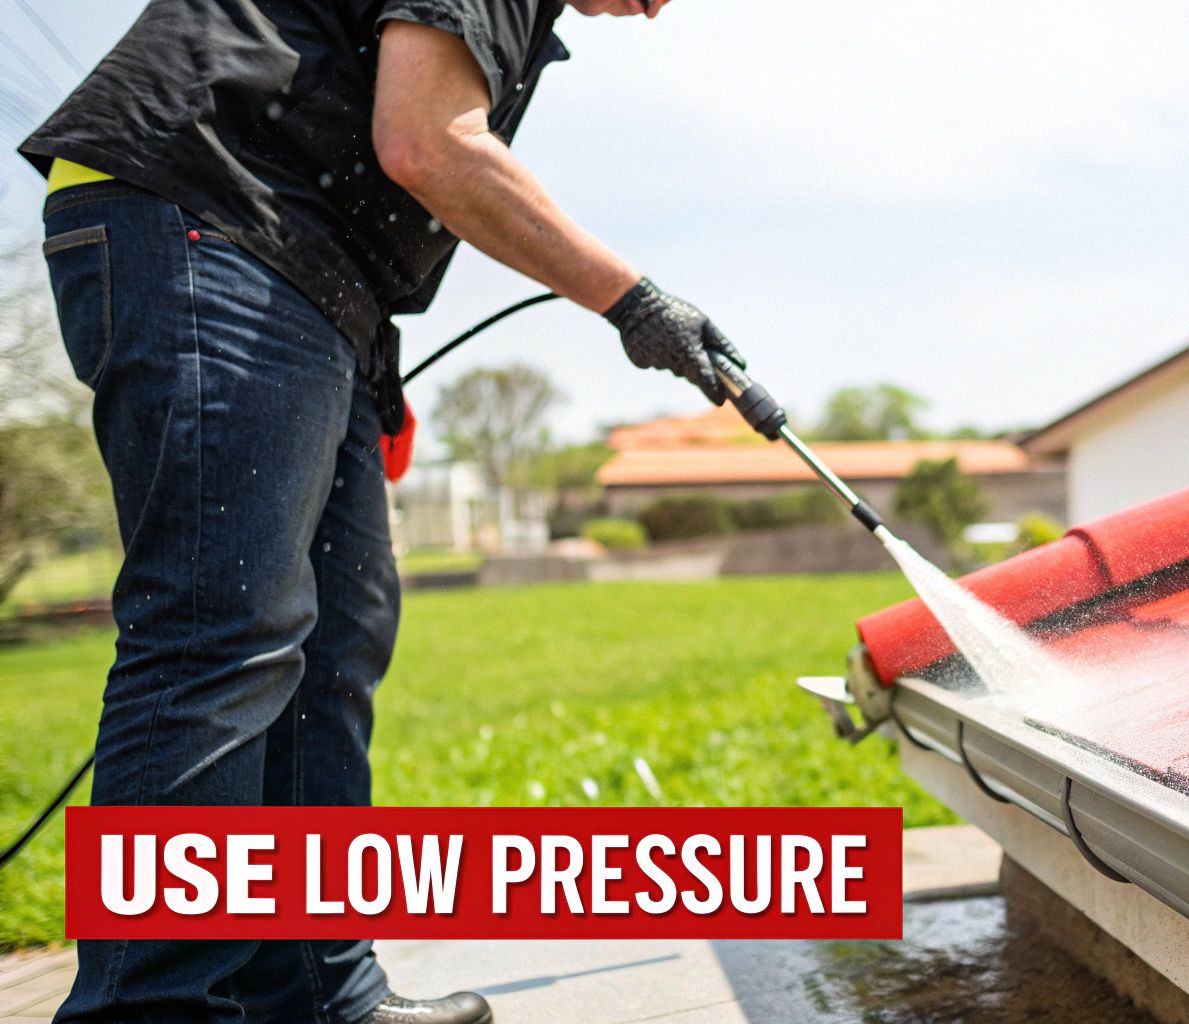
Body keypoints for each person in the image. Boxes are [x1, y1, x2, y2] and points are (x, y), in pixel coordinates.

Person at [18, 1, 738, 1021]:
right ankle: (148, 1006)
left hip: (306, 276)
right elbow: (427, 143)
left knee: (333, 644)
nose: (662, 4)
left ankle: (312, 990)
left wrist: (369, 366)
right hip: (207, 217)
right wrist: (630, 298)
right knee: (220, 630)